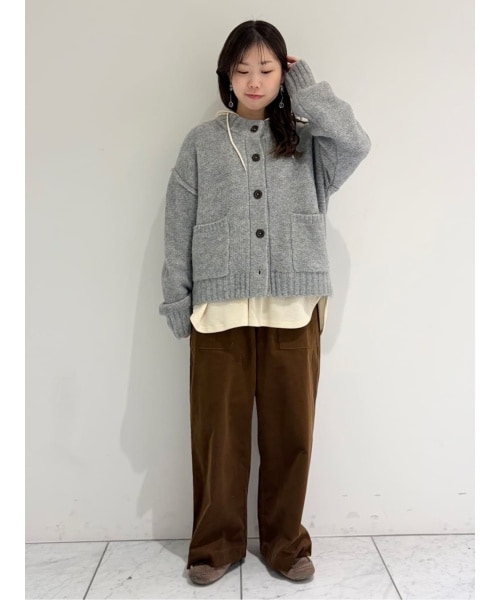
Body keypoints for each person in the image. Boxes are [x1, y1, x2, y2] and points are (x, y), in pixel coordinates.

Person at [159, 19, 370, 586]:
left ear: (283, 74)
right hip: (219, 312)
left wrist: (307, 86)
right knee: (217, 437)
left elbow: (356, 142)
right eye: (243, 69)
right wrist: (176, 298)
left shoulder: (307, 141)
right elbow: (178, 222)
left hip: (293, 309)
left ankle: (284, 544)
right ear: (226, 76)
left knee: (290, 435)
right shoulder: (202, 142)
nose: (254, 81)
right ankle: (215, 546)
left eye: (267, 69)